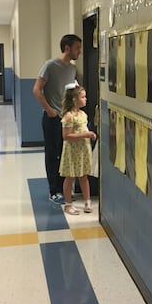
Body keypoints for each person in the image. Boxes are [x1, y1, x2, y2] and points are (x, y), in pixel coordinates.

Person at [32, 34, 82, 204]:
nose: (79, 52)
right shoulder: (50, 66)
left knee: (65, 154)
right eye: (77, 48)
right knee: (52, 155)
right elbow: (37, 90)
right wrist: (50, 110)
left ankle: (63, 189)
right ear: (67, 48)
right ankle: (54, 191)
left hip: (67, 119)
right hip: (52, 119)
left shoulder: (73, 69)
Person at [58, 83, 97, 215]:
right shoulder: (69, 116)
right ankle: (68, 204)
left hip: (82, 151)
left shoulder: (83, 114)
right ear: (74, 99)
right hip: (72, 152)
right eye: (83, 97)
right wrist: (85, 135)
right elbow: (66, 136)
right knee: (70, 177)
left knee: (83, 175)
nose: (86, 99)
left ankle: (87, 200)